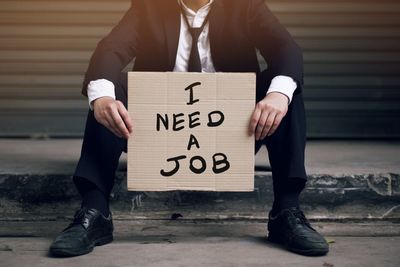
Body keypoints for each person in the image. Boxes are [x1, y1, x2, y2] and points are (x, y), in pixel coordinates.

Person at [49, 0, 329, 257]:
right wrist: (102, 97)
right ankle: (95, 211)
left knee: (286, 87)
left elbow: (286, 48)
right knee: (107, 91)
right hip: (157, 131)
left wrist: (278, 95)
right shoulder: (149, 6)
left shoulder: (245, 4)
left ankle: (286, 211)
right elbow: (111, 48)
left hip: (236, 131)